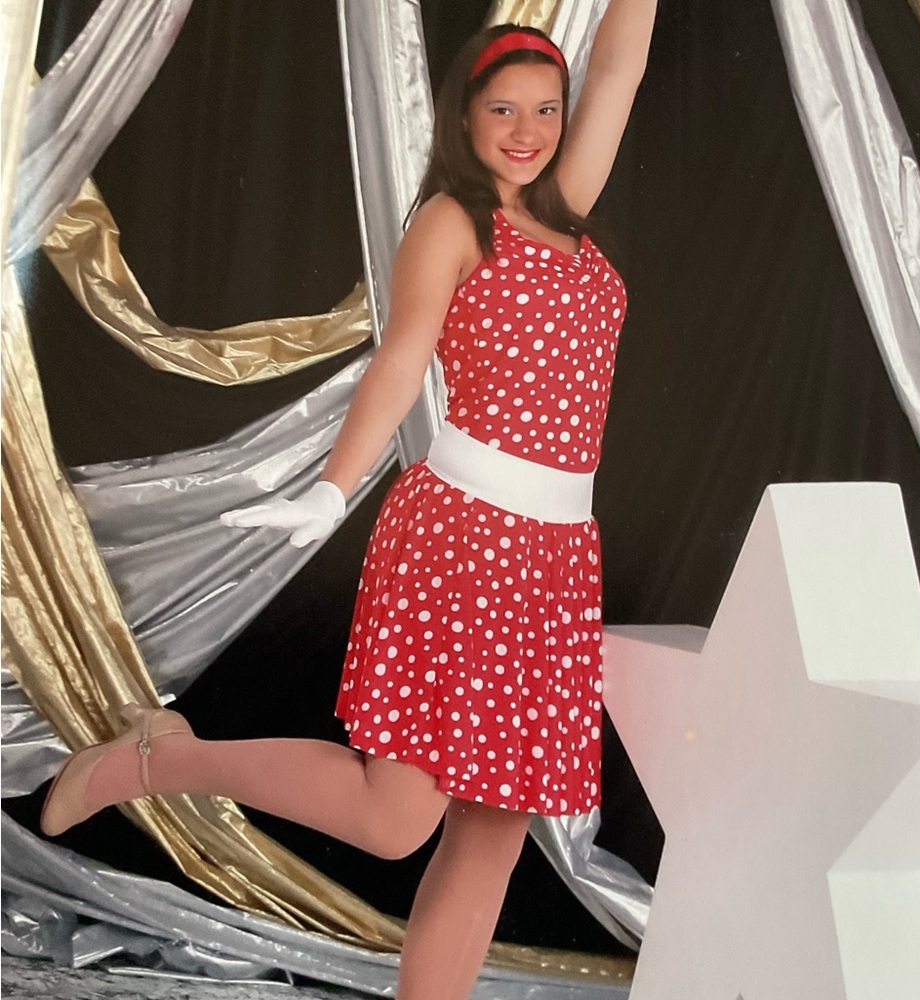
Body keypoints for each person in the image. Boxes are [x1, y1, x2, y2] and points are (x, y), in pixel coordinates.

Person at [40, 6, 657, 998]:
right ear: (463, 118)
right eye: (502, 108)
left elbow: (621, 69)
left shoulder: (567, 207)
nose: (527, 129)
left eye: (546, 108)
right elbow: (401, 359)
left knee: (493, 832)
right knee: (395, 817)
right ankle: (159, 764)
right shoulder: (453, 224)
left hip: (552, 559)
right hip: (464, 540)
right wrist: (331, 492)